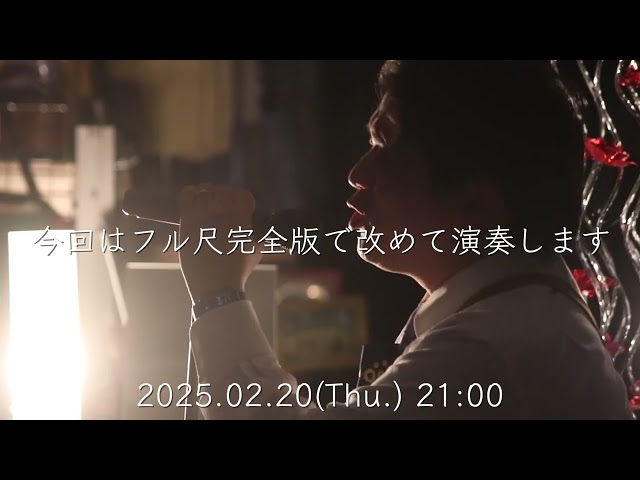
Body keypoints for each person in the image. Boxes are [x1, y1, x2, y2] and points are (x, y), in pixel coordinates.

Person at [178, 60, 635, 419]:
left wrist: (219, 292)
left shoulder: (497, 347)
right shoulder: (516, 315)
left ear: (476, 203)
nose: (358, 174)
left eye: (386, 146)